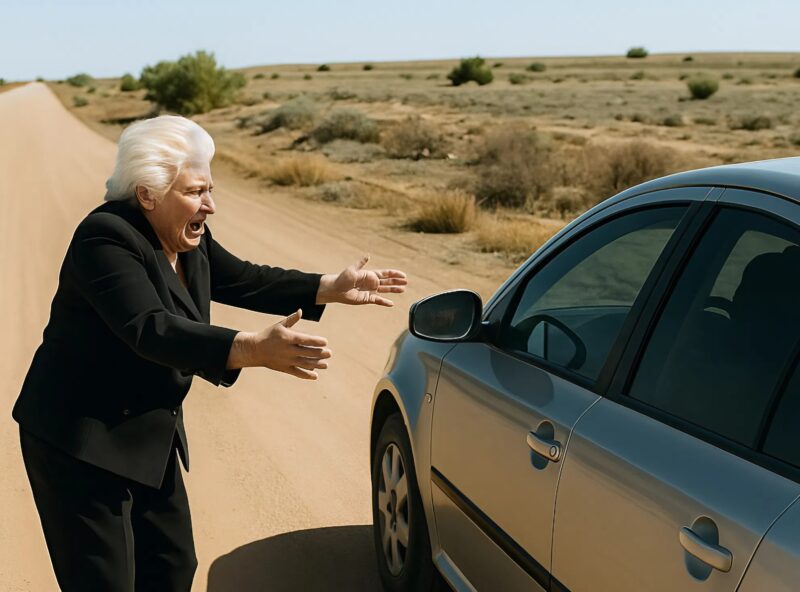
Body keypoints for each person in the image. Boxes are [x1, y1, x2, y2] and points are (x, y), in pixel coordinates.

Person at [11, 114, 408, 591]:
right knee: (105, 582)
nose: (210, 205)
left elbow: (244, 278)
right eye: (196, 191)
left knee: (173, 565)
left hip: (146, 435)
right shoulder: (105, 238)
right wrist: (250, 348)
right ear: (148, 194)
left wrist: (328, 287)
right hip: (81, 440)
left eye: (210, 190)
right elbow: (150, 330)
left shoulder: (187, 237)